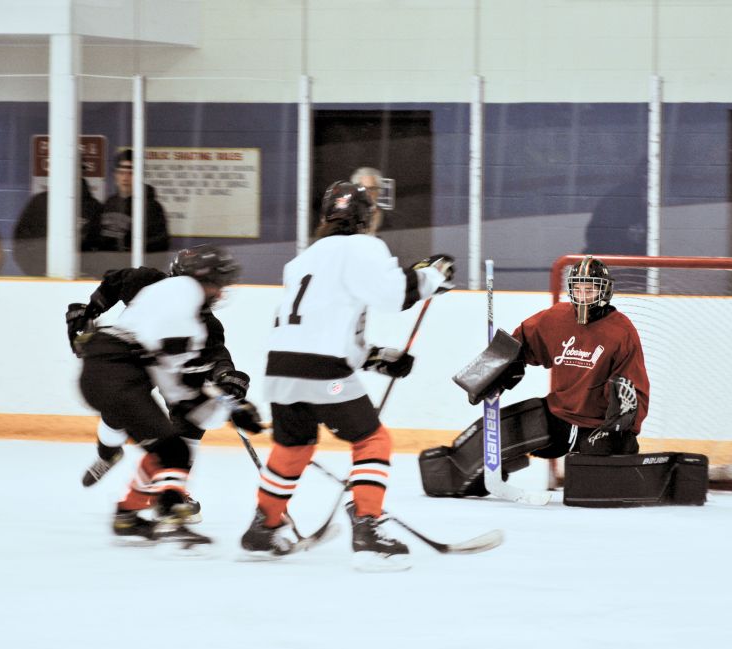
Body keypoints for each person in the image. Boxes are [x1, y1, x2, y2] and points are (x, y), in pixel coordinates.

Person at [240, 180, 454, 571]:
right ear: (364, 218)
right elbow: (394, 295)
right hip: (325, 373)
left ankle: (264, 526)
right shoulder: (362, 247)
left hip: (281, 368)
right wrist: (432, 277)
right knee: (372, 439)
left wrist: (375, 357)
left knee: (293, 446)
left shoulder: (303, 259)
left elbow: (324, 323)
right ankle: (369, 528)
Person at [77, 244, 262, 544]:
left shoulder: (175, 303)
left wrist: (224, 384)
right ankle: (166, 509)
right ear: (200, 279)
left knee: (172, 444)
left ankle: (130, 516)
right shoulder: (180, 299)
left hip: (117, 367)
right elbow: (179, 371)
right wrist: (224, 402)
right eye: (217, 283)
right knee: (169, 445)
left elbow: (191, 367)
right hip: (120, 371)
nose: (220, 292)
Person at [443, 256, 650, 493]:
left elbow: (634, 388)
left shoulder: (622, 331)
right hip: (558, 415)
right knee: (493, 438)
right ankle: (460, 478)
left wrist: (621, 425)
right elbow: (519, 343)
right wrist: (492, 370)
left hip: (596, 427)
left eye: (590, 289)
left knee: (595, 490)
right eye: (578, 289)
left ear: (605, 291)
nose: (583, 296)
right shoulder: (557, 317)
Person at [12, 177, 102, 275]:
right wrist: (35, 270)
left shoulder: (93, 207)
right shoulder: (40, 202)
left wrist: (86, 271)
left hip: (80, 277)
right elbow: (20, 241)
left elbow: (99, 246)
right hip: (42, 275)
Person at [98, 149, 170, 252]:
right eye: (121, 173)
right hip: (107, 260)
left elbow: (162, 242)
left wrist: (130, 246)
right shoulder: (109, 203)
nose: (125, 178)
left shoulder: (151, 207)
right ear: (115, 175)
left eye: (131, 173)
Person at [350, 166, 387, 235]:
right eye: (362, 189)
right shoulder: (347, 219)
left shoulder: (391, 220)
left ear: (379, 191)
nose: (367, 193)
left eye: (372, 189)